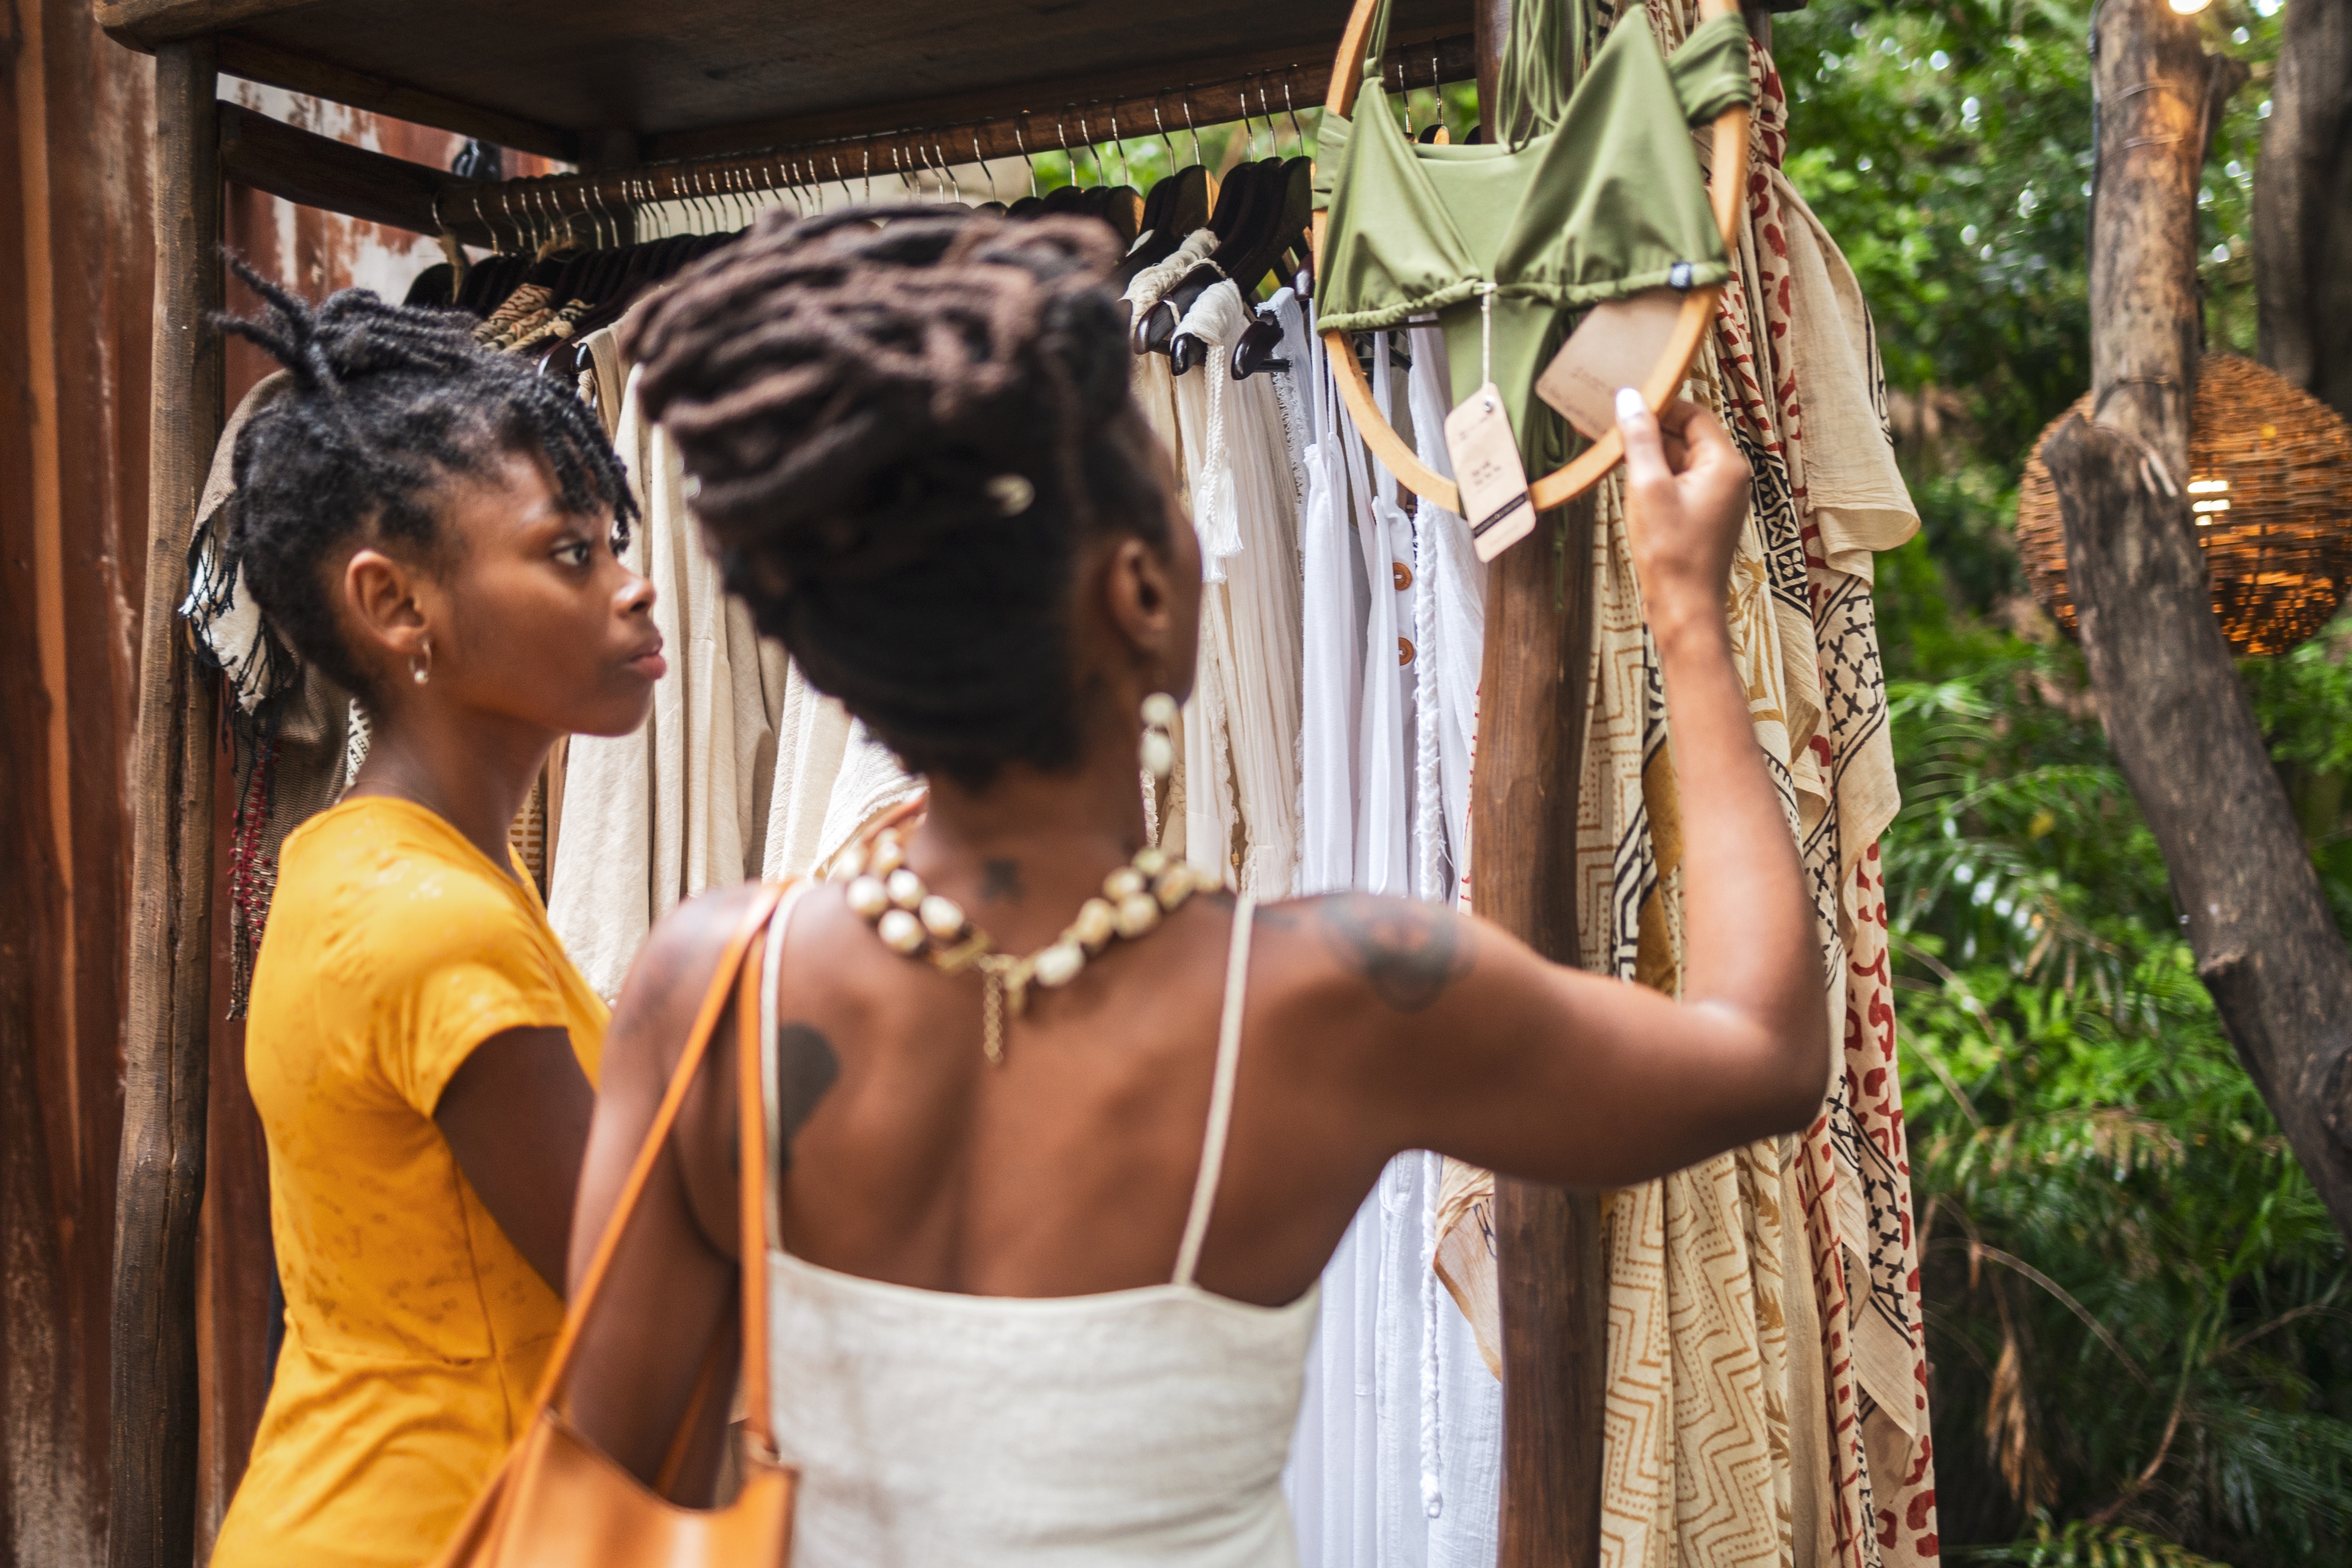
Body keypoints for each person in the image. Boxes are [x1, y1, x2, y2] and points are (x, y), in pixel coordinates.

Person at [561, 210, 1826, 1567]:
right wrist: (1687, 608)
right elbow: (1759, 1054)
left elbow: (620, 1480)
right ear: (1144, 592)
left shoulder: (711, 986)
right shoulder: (1328, 994)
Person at [207, 266, 665, 1568]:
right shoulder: (429, 922)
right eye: (570, 553)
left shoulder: (367, 864)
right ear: (398, 605)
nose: (629, 585)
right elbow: (641, 1299)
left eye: (616, 544)